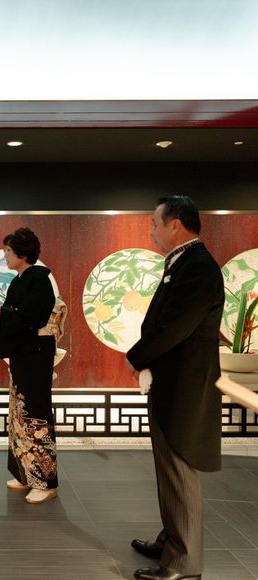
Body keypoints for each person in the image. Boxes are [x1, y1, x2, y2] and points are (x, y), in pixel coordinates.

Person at [126, 196, 224, 580]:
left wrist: (136, 357)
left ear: (175, 225)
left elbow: (175, 326)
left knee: (179, 469)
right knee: (168, 468)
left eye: (154, 223)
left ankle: (184, 564)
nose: (151, 230)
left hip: (185, 386)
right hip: (171, 381)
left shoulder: (197, 266)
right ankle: (171, 539)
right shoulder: (183, 262)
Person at [0, 227, 58, 504]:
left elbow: (34, 318)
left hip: (36, 353)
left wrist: (0, 311)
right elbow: (16, 315)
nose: (5, 255)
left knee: (36, 413)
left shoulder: (39, 279)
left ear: (23, 253)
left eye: (8, 251)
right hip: (23, 352)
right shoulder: (19, 280)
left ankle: (45, 482)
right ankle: (25, 473)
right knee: (19, 414)